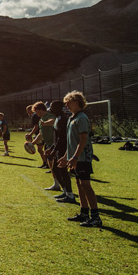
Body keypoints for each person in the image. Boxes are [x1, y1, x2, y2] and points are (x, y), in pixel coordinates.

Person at [61, 91, 101, 227]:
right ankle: (84, 213)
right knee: (79, 184)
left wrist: (75, 157)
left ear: (77, 101)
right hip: (75, 158)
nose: (66, 105)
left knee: (85, 184)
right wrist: (66, 157)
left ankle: (96, 217)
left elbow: (83, 139)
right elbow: (71, 141)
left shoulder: (81, 118)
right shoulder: (72, 118)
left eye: (68, 102)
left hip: (82, 157)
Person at [46, 100, 76, 204]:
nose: (51, 110)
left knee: (63, 171)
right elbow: (57, 137)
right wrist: (52, 148)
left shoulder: (63, 119)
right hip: (58, 147)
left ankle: (70, 194)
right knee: (55, 168)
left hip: (63, 149)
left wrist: (54, 150)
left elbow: (62, 138)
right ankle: (65, 191)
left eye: (53, 108)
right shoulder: (57, 119)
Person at [32, 102, 57, 184]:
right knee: (50, 164)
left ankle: (65, 187)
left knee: (56, 165)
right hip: (48, 144)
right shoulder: (41, 120)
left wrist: (45, 123)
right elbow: (41, 134)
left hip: (55, 144)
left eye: (36, 111)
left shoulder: (49, 116)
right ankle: (56, 183)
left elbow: (53, 121)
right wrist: (32, 143)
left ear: (40, 110)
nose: (36, 114)